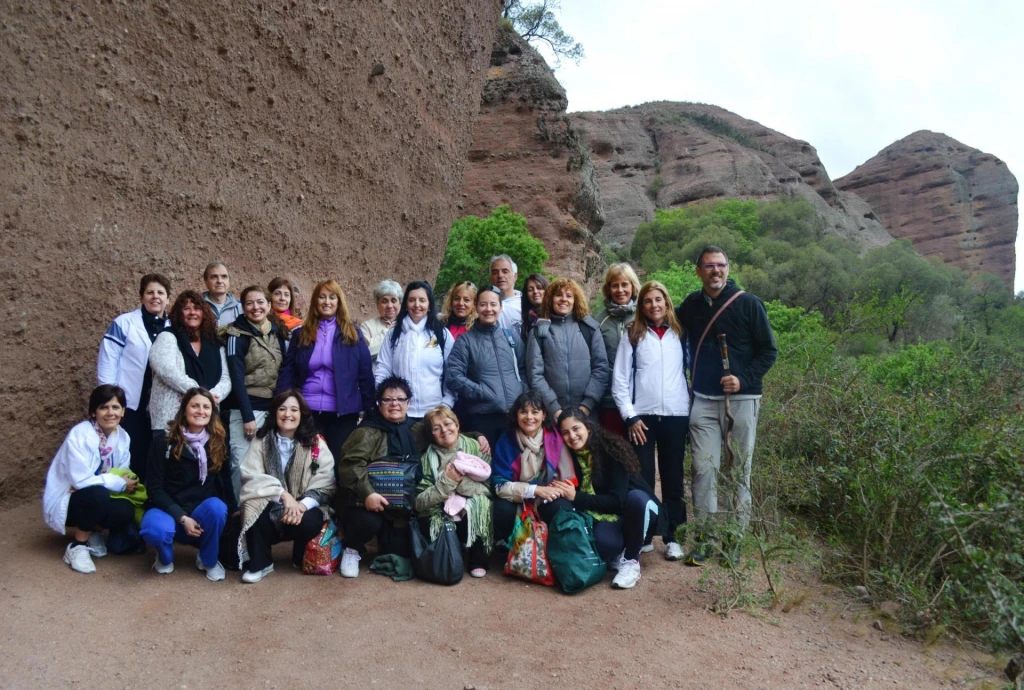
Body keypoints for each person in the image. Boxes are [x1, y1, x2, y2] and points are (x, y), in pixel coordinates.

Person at [676, 245, 778, 565]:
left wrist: (742, 380)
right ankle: (705, 538)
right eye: (708, 266)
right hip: (704, 400)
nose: (715, 271)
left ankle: (734, 539)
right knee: (703, 470)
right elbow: (665, 324)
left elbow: (769, 351)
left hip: (742, 401)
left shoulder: (749, 303)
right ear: (698, 271)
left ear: (728, 269)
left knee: (739, 471)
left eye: (720, 265)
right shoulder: (691, 305)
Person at [335, 377, 491, 578]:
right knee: (367, 522)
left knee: (399, 553)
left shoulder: (416, 430)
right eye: (387, 399)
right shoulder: (366, 432)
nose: (394, 404)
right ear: (379, 403)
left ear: (408, 403)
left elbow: (445, 433)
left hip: (402, 508)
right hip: (371, 503)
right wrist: (368, 494)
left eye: (400, 399)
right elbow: (349, 466)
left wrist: (477, 435)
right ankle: (351, 549)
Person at [611, 280, 690, 561]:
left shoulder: (679, 333)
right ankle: (644, 535)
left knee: (673, 478)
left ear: (667, 303)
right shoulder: (633, 334)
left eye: (658, 300)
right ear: (641, 306)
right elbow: (620, 380)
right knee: (642, 478)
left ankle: (673, 537)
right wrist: (629, 416)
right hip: (641, 417)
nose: (654, 305)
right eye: (648, 301)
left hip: (676, 414)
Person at [556, 409, 665, 589]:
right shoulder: (568, 458)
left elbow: (617, 501)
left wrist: (576, 496)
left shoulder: (610, 449)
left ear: (587, 427)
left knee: (636, 498)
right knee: (604, 544)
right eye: (565, 432)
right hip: (609, 515)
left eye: (576, 429)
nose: (572, 436)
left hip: (640, 510)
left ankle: (631, 561)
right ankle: (619, 551)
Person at [237, 390, 335, 583]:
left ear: (302, 414)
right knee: (252, 508)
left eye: (294, 410)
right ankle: (261, 563)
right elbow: (251, 477)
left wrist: (301, 506)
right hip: (273, 503)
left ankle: (300, 555)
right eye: (282, 409)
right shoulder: (261, 440)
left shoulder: (315, 442)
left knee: (311, 521)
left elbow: (326, 481)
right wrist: (283, 495)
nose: (287, 414)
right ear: (275, 412)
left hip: (303, 507)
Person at [276, 280, 374, 468]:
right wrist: (280, 402)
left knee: (338, 466)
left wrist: (370, 411)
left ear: (339, 302)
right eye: (322, 297)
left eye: (332, 297)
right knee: (305, 465)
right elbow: (288, 371)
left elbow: (365, 374)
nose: (327, 302)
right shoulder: (301, 334)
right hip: (306, 412)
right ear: (315, 301)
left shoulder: (353, 335)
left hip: (342, 415)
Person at [140, 388, 235, 581]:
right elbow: (154, 488)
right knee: (154, 530)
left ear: (212, 412)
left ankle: (208, 560)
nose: (201, 411)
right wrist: (181, 517)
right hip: (168, 510)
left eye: (206, 407)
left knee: (218, 508)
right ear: (184, 410)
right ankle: (165, 556)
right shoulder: (164, 441)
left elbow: (225, 481)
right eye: (195, 406)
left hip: (200, 511)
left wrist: (234, 510)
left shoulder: (218, 442)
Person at [43, 385, 139, 574]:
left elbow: (122, 471)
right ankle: (77, 546)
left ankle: (94, 531)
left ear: (123, 411)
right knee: (97, 494)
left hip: (96, 495)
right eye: (104, 407)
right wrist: (117, 482)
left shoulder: (123, 436)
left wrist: (123, 480)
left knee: (125, 510)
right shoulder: (80, 434)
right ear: (94, 412)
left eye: (116, 407)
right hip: (70, 501)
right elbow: (80, 481)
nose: (110, 413)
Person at [97, 273, 171, 479]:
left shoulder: (173, 327)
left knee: (157, 456)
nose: (155, 297)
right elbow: (108, 360)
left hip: (160, 405)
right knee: (133, 453)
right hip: (130, 404)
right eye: (150, 292)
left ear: (168, 298)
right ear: (141, 297)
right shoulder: (124, 323)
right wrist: (110, 399)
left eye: (160, 293)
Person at [223, 285, 289, 501]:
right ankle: (239, 508)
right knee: (241, 463)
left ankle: (265, 508)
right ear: (243, 307)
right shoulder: (236, 335)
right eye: (249, 303)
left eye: (260, 302)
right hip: (246, 409)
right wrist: (247, 416)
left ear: (269, 305)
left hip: (272, 409)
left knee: (270, 463)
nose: (255, 307)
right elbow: (236, 378)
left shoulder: (278, 333)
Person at [414, 405, 492, 578]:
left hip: (470, 507)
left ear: (457, 425)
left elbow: (489, 489)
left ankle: (478, 560)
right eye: (436, 428)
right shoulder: (426, 458)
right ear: (431, 435)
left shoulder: (477, 448)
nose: (444, 430)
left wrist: (460, 483)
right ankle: (449, 553)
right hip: (441, 510)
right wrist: (447, 482)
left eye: (448, 424)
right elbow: (419, 502)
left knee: (482, 503)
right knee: (431, 516)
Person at [490, 391, 576, 548]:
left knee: (562, 508)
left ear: (544, 415)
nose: (529, 417)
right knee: (501, 510)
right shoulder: (506, 441)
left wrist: (545, 494)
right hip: (516, 498)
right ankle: (509, 550)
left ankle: (555, 550)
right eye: (523, 412)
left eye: (535, 412)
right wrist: (534, 490)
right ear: (516, 415)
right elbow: (499, 485)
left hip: (546, 497)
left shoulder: (555, 439)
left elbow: (565, 480)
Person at [446, 288, 526, 448]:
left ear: (500, 307)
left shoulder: (511, 337)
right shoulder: (466, 341)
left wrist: (521, 391)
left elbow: (524, 369)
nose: (489, 309)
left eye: (493, 304)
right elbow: (453, 376)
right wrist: (481, 391)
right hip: (482, 418)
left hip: (514, 416)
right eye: (483, 304)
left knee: (514, 462)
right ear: (476, 307)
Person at [148, 291, 231, 440]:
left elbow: (226, 378)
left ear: (204, 313)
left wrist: (211, 397)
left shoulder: (215, 342)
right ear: (179, 313)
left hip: (206, 419)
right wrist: (200, 394)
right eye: (186, 308)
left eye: (197, 308)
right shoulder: (167, 336)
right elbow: (166, 370)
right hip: (170, 420)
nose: (192, 312)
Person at [526, 278, 609, 420]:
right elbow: (535, 374)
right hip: (552, 414)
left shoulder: (589, 328)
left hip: (587, 413)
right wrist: (554, 409)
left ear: (575, 300)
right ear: (550, 299)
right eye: (558, 295)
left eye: (569, 296)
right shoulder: (539, 331)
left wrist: (587, 405)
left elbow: (601, 368)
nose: (564, 299)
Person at [375, 281, 454, 422]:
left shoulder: (441, 334)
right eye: (412, 300)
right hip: (400, 413)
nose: (417, 305)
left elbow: (452, 372)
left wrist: (446, 404)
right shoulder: (394, 334)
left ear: (429, 304)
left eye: (422, 300)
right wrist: (383, 401)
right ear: (406, 304)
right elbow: (383, 369)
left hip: (434, 412)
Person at [594, 263, 640, 436]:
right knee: (614, 447)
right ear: (608, 289)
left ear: (633, 286)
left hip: (641, 398)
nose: (620, 290)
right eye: (615, 285)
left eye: (625, 284)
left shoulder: (644, 315)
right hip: (609, 400)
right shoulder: (598, 322)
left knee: (639, 449)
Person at [359, 279, 402, 366]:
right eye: (384, 301)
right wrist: (389, 331)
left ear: (400, 303)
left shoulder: (407, 325)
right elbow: (364, 353)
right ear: (377, 305)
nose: (389, 306)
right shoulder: (366, 326)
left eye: (394, 300)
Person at [201, 261, 242, 327]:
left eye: (224, 276)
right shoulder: (197, 307)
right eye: (214, 277)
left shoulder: (240, 308)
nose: (219, 281)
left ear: (229, 281)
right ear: (206, 281)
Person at [490, 255, 522, 333]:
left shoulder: (524, 304)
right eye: (495, 272)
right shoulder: (483, 305)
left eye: (505, 271)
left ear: (515, 276)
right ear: (490, 277)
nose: (500, 275)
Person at [519, 273, 549, 343]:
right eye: (530, 290)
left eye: (539, 288)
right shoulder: (525, 323)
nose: (535, 292)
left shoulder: (556, 316)